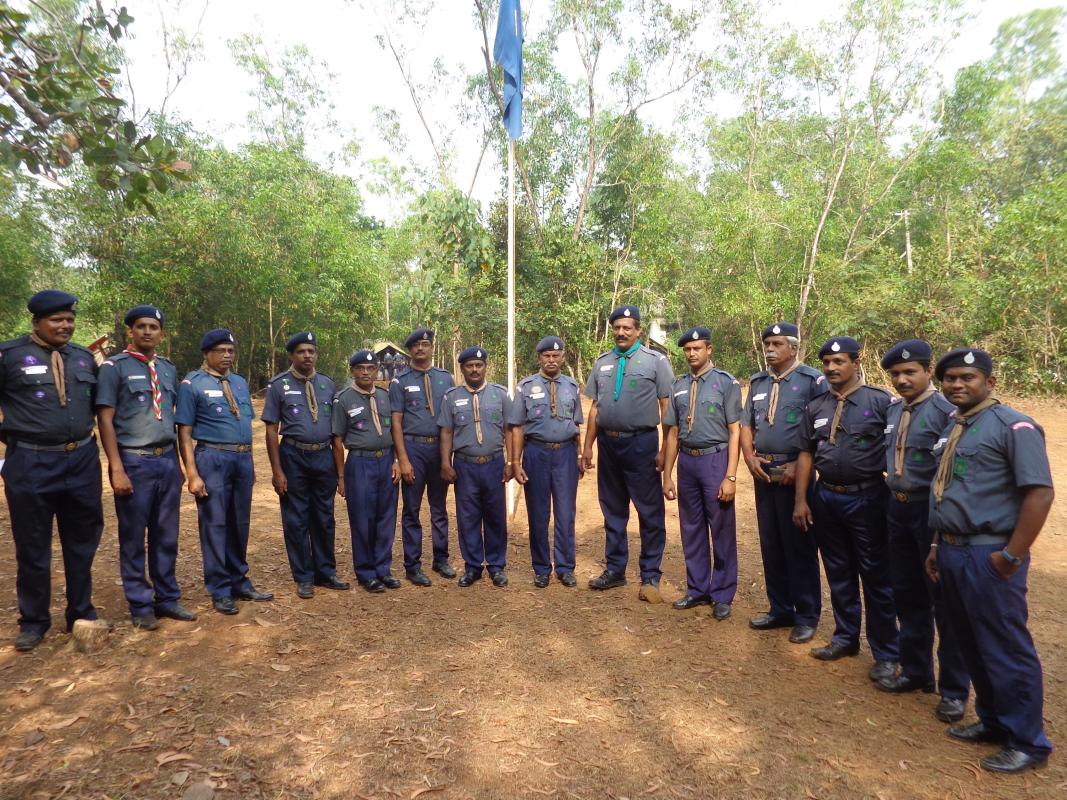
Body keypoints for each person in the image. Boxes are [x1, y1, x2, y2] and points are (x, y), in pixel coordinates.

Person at [926, 348, 1054, 774]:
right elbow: (948, 491)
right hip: (951, 548)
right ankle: (994, 721)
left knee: (1005, 647)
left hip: (989, 553)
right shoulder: (956, 423)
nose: (957, 385)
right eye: (949, 379)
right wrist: (935, 545)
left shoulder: (1012, 425)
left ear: (989, 382)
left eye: (967, 378)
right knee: (969, 642)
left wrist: (1012, 555)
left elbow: (1039, 492)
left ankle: (1027, 741)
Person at [0, 290, 104, 651]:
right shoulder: (9, 355)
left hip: (81, 459)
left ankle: (80, 609)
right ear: (37, 322)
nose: (65, 326)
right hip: (30, 461)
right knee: (32, 545)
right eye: (57, 320)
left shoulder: (83, 358)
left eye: (70, 320)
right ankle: (34, 620)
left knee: (82, 541)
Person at [793, 336, 899, 681]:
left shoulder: (882, 403)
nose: (831, 368)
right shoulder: (816, 406)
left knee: (875, 576)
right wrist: (801, 499)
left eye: (839, 362)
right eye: (826, 363)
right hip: (827, 496)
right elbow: (806, 453)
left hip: (868, 497)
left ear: (857, 362)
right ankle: (845, 637)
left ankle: (885, 652)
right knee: (838, 572)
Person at [876, 340, 968, 723]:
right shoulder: (895, 409)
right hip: (895, 507)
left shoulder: (947, 412)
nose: (901, 379)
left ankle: (954, 690)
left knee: (943, 600)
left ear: (928, 372)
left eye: (909, 372)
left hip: (929, 512)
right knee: (906, 592)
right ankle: (916, 671)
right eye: (896, 374)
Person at [96, 305, 196, 630]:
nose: (148, 332)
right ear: (131, 331)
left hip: (166, 460)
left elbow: (172, 419)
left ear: (161, 333)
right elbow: (105, 420)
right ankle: (140, 604)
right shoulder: (114, 367)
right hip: (134, 461)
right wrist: (116, 468)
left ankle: (166, 598)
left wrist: (181, 466)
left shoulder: (167, 368)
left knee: (166, 534)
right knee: (133, 536)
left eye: (153, 327)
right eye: (141, 326)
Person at [176, 329, 273, 615]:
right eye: (221, 350)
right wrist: (192, 473)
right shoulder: (192, 384)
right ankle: (219, 589)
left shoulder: (240, 383)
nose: (227, 355)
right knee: (215, 524)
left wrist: (251, 462)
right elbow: (184, 431)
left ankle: (239, 581)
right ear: (207, 353)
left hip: (241, 459)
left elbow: (245, 424)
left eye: (231, 350)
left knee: (239, 522)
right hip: (212, 457)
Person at [581, 305, 674, 602]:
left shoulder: (655, 362)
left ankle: (650, 575)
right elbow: (595, 408)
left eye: (627, 328)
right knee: (612, 509)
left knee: (649, 512)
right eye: (617, 327)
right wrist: (587, 447)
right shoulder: (603, 362)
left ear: (638, 330)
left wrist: (664, 450)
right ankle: (616, 570)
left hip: (641, 444)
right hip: (609, 445)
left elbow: (666, 408)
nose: (621, 332)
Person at [741, 322, 825, 644]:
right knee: (771, 543)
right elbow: (747, 424)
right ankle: (780, 609)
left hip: (797, 471)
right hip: (764, 471)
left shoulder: (812, 381)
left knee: (800, 544)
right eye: (767, 344)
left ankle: (806, 615)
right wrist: (749, 458)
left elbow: (821, 428)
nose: (770, 349)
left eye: (777, 343)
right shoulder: (759, 381)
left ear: (793, 347)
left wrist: (799, 465)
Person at [661, 327, 741, 620]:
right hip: (688, 463)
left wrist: (730, 476)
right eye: (687, 349)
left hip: (715, 460)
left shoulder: (725, 383)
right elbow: (671, 434)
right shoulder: (678, 385)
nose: (691, 353)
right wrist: (667, 474)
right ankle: (697, 589)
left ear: (709, 350)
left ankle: (722, 594)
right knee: (691, 528)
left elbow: (735, 431)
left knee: (720, 529)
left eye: (697, 348)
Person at [262, 332, 348, 599]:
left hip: (323, 456)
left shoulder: (327, 384)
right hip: (293, 456)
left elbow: (336, 434)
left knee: (324, 517)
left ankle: (326, 572)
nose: (307, 356)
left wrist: (339, 470)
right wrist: (277, 471)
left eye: (311, 351)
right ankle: (304, 576)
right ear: (292, 356)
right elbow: (271, 431)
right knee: (296, 518)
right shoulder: (279, 385)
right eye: (301, 352)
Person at [508, 336, 584, 588]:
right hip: (536, 454)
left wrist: (580, 456)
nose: (551, 360)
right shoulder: (525, 387)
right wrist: (516, 462)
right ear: (539, 358)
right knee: (538, 514)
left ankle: (565, 567)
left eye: (556, 356)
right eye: (546, 356)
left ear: (562, 357)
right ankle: (541, 568)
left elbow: (576, 427)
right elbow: (517, 428)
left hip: (565, 455)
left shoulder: (572, 386)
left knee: (565, 513)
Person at [439, 346, 514, 587]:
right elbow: (447, 431)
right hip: (465, 466)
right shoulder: (451, 397)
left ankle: (496, 565)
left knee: (495, 516)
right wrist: (445, 462)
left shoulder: (500, 394)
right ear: (462, 369)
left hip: (493, 463)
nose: (474, 369)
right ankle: (472, 566)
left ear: (485, 367)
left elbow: (509, 431)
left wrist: (511, 462)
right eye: (469, 366)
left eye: (478, 365)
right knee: (468, 517)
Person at [390, 328, 456, 585]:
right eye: (415, 345)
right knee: (412, 509)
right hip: (413, 449)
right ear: (410, 350)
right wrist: (402, 459)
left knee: (439, 507)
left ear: (431, 348)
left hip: (439, 449)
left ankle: (441, 559)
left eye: (425, 344)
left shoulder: (445, 378)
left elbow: (450, 421)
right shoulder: (400, 381)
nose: (421, 349)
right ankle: (413, 565)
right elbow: (396, 422)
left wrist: (447, 458)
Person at [333, 351, 401, 593]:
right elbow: (337, 441)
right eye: (360, 368)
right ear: (352, 371)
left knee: (386, 518)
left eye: (370, 368)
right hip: (360, 464)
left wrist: (396, 461)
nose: (365, 372)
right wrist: (341, 477)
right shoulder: (343, 399)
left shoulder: (384, 396)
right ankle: (366, 572)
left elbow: (393, 433)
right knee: (363, 519)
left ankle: (383, 569)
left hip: (386, 463)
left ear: (376, 370)